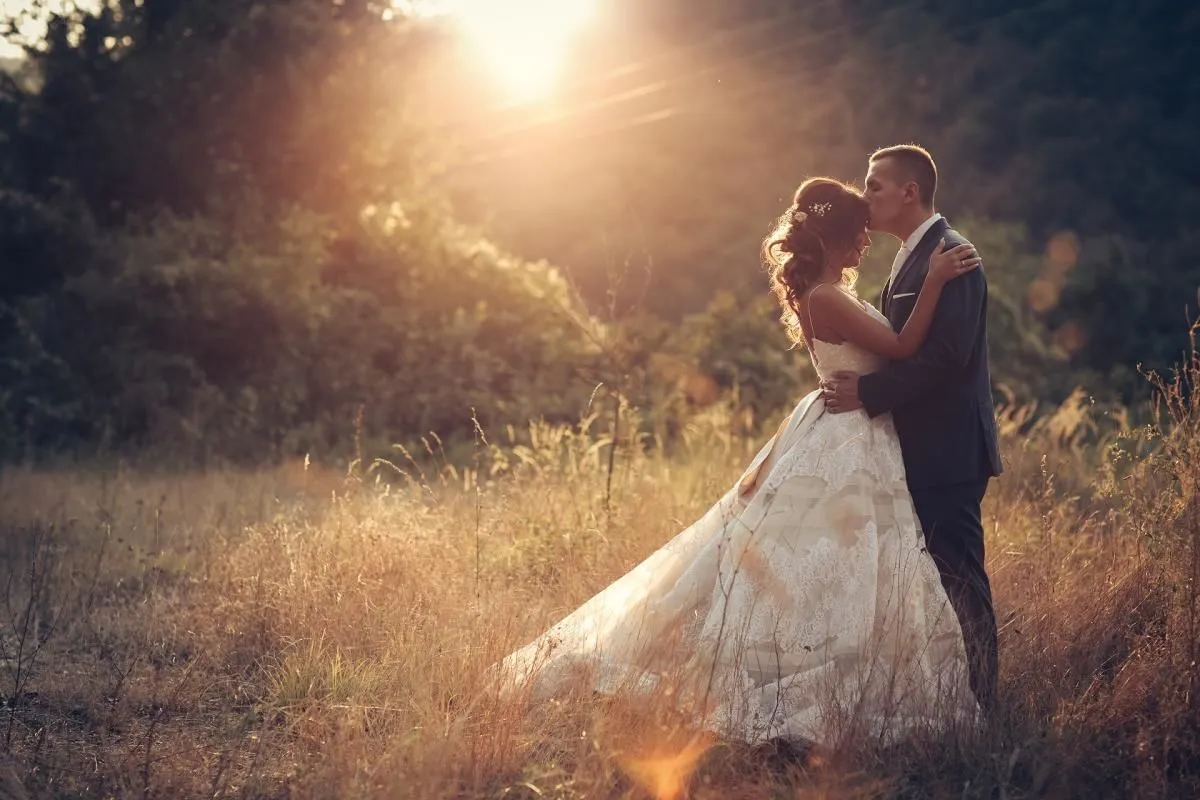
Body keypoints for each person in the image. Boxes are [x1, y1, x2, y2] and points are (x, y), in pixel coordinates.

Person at [493, 176, 982, 746]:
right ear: (830, 239)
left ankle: (840, 671)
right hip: (847, 436)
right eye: (857, 236)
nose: (865, 246)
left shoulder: (825, 292)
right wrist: (938, 281)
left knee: (838, 563)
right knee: (828, 559)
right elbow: (899, 349)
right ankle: (797, 680)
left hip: (850, 428)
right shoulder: (824, 296)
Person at [822, 144, 1002, 712]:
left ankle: (982, 706)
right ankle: (940, 700)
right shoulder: (912, 257)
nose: (865, 194)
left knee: (960, 577)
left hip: (948, 449)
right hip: (916, 447)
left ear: (909, 192)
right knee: (930, 582)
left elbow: (946, 357)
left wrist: (868, 393)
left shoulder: (954, 255)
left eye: (875, 185)